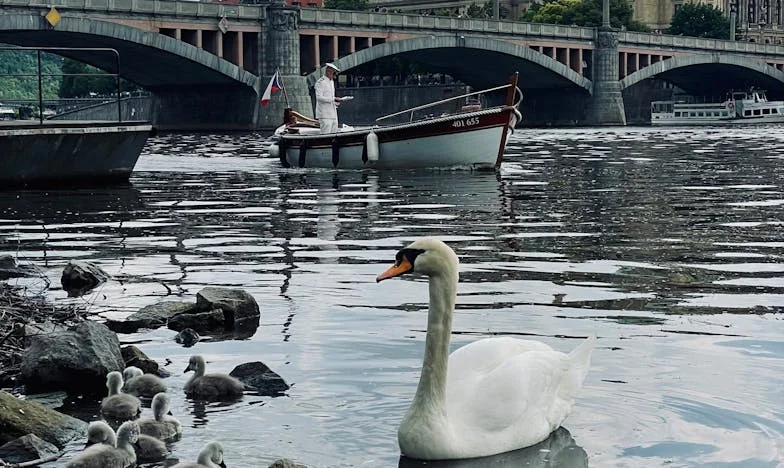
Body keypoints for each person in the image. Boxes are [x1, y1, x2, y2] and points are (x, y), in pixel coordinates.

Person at [314, 63, 351, 134]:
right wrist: (333, 99)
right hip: (324, 114)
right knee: (325, 134)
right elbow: (319, 97)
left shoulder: (331, 82)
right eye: (333, 73)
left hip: (333, 113)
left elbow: (331, 96)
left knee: (334, 133)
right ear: (328, 72)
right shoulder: (320, 82)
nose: (334, 75)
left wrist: (338, 101)